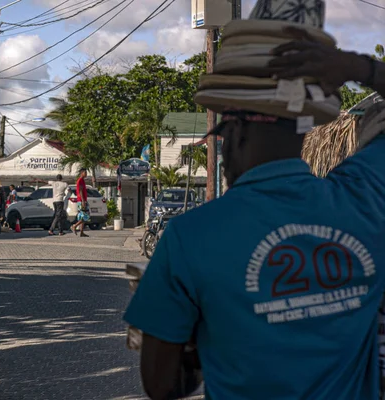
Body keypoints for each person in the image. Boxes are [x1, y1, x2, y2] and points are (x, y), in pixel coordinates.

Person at [124, 21, 385, 400]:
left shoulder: (189, 237)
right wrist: (361, 69)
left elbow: (162, 385)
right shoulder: (364, 198)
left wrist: (199, 338)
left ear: (235, 134)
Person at [70, 168, 89, 237]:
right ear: (82, 173)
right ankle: (74, 226)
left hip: (82, 200)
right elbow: (80, 191)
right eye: (85, 173)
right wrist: (83, 201)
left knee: (82, 216)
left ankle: (81, 232)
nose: (86, 174)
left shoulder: (82, 180)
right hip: (81, 200)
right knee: (86, 216)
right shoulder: (80, 180)